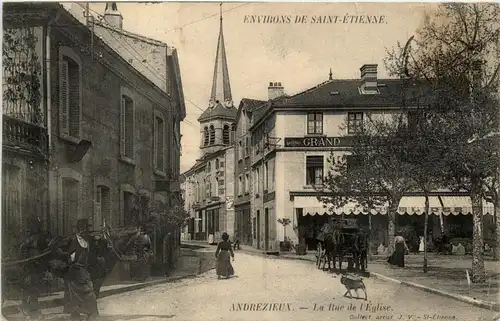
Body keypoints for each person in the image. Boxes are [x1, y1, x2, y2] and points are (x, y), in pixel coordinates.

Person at [55, 219, 99, 320]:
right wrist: (63, 255)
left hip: (82, 271)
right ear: (81, 229)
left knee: (86, 293)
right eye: (86, 228)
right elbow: (67, 254)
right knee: (81, 294)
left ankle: (87, 314)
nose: (88, 230)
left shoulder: (85, 240)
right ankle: (82, 315)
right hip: (76, 271)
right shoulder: (74, 240)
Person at [19, 217, 49, 319]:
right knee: (32, 289)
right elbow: (23, 251)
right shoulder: (31, 240)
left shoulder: (34, 239)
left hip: (34, 267)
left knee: (33, 289)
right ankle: (32, 311)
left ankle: (31, 310)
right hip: (30, 267)